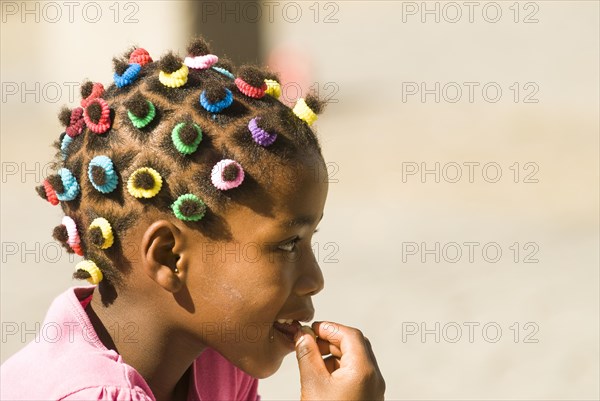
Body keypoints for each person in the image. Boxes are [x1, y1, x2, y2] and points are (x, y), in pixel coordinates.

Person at [0, 36, 385, 401]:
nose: (315, 280)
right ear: (169, 257)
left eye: (309, 239)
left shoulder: (218, 359)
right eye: (287, 244)